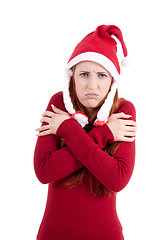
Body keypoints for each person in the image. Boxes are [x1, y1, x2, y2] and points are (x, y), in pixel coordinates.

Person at [34, 25, 137, 240]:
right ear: (71, 77)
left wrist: (67, 130)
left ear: (112, 80)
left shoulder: (123, 111)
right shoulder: (58, 104)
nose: (92, 85)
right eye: (83, 74)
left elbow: (117, 178)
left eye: (101, 75)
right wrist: (105, 133)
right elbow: (44, 171)